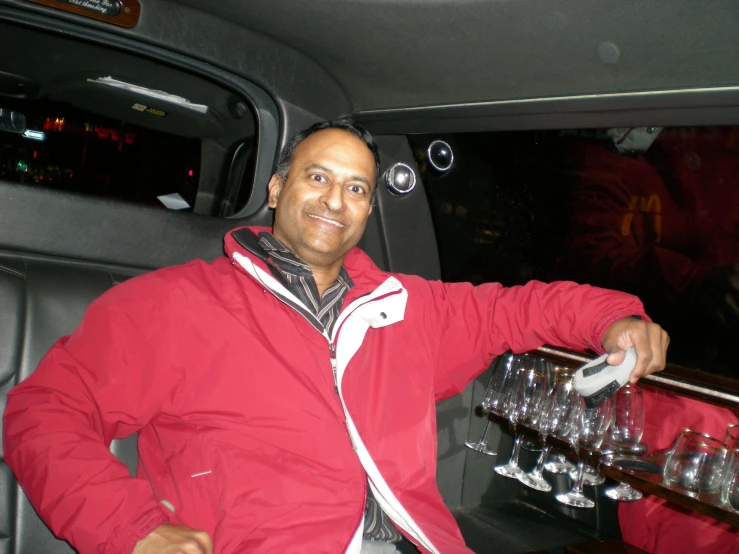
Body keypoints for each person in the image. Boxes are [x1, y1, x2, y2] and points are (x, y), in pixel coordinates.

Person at [2, 118, 669, 554]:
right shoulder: (173, 304)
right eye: (316, 175)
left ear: (367, 209)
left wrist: (613, 319)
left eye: (355, 187)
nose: (333, 199)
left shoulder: (404, 307)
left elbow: (516, 310)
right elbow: (44, 414)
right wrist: (134, 533)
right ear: (276, 186)